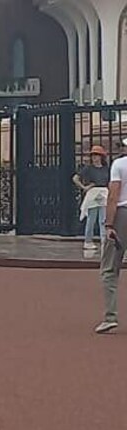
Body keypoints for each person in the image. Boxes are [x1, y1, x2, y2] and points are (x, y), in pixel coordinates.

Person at [96, 138, 127, 334]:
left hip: (123, 215)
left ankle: (110, 317)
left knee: (109, 268)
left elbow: (114, 195)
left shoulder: (120, 164)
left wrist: (108, 224)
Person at [74, 146, 110, 251]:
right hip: (93, 193)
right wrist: (84, 187)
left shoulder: (106, 169)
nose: (95, 157)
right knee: (91, 219)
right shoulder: (88, 168)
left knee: (103, 219)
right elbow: (75, 178)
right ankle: (88, 241)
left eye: (97, 155)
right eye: (93, 155)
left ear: (101, 157)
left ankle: (104, 240)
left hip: (103, 193)